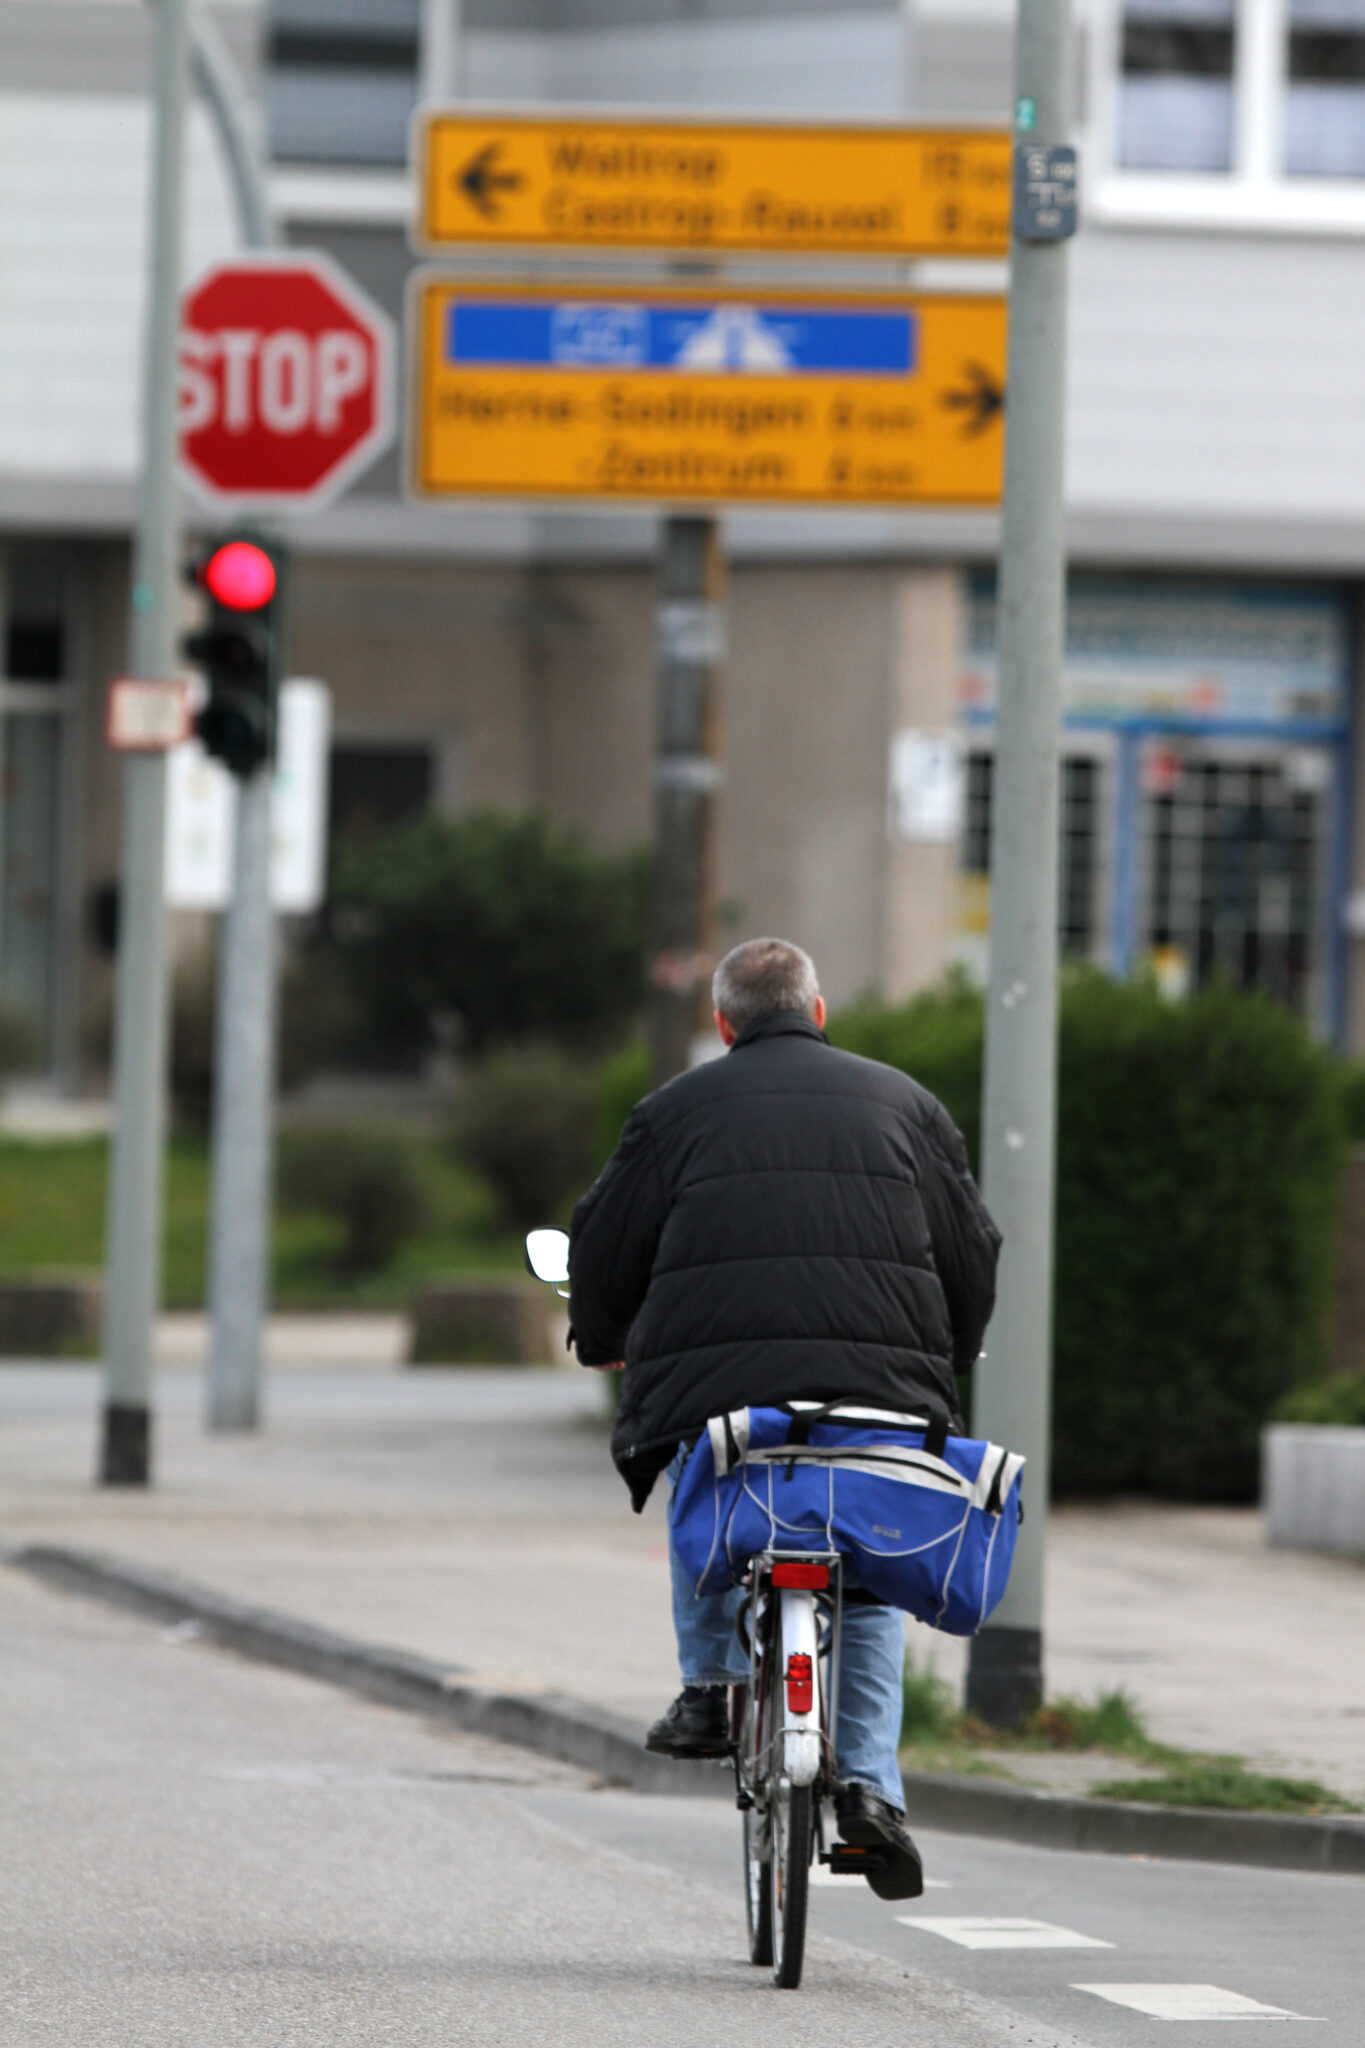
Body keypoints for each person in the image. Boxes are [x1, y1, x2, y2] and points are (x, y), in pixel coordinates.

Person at [567, 937, 1000, 1899]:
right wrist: (951, 1350)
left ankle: (709, 1690)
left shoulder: (672, 1111)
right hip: (882, 1391)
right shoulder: (907, 1105)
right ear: (819, 1008)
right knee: (873, 1577)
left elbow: (602, 1247)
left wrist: (602, 1337)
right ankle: (873, 1797)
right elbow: (971, 1247)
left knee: (705, 1480)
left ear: (724, 1023)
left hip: (722, 1393)